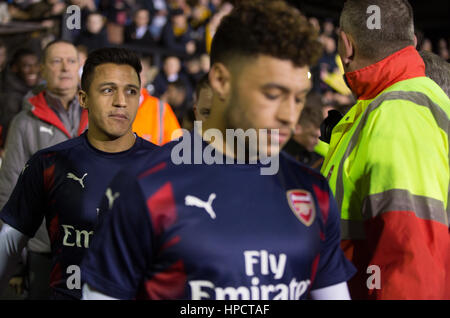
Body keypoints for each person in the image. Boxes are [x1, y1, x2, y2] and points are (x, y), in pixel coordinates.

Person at [81, 0, 356, 300]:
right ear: (222, 81)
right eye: (273, 94)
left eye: (299, 98)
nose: (289, 115)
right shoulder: (146, 187)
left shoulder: (312, 189)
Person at [0, 47, 159, 300]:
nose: (121, 101)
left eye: (131, 91)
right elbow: (9, 240)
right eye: (108, 90)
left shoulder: (164, 166)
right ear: (83, 98)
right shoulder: (49, 163)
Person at [321, 0, 450, 299]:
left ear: (345, 45)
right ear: (412, 41)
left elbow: (410, 259)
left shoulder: (396, 113)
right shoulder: (416, 101)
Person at [0, 40, 88, 299]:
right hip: (43, 249)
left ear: (80, 67)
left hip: (92, 248)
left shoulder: (98, 115)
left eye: (71, 61)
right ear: (42, 70)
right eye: (56, 61)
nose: (65, 68)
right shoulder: (24, 122)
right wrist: (15, 262)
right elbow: (9, 190)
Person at [132, 57, 181, 146]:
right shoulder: (110, 106)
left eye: (140, 75)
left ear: (145, 79)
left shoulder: (161, 108)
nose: (135, 79)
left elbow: (177, 146)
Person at [0, 48, 40, 148]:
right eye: (27, 66)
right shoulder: (10, 97)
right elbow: (9, 131)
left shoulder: (36, 88)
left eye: (36, 65)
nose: (33, 70)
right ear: (15, 68)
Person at [283, 92, 324, 169]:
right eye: (313, 136)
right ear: (297, 129)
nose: (317, 142)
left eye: (318, 137)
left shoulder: (318, 161)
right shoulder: (275, 153)